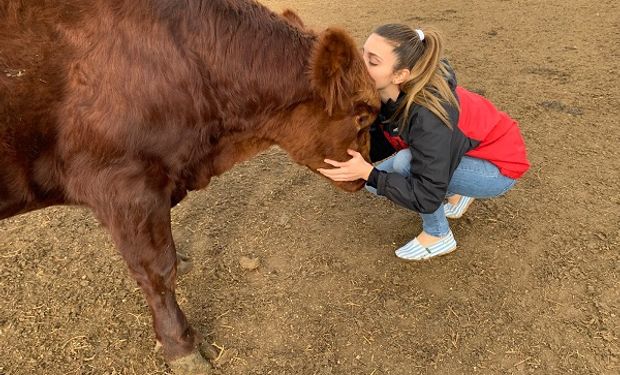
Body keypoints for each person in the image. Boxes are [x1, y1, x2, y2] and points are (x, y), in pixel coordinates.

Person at [318, 24, 530, 261]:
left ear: (400, 75)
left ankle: (438, 235)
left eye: (373, 61)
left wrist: (370, 172)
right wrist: (349, 156)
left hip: (499, 168)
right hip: (466, 151)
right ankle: (457, 196)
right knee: (372, 182)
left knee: (405, 164)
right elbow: (387, 138)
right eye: (362, 54)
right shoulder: (389, 93)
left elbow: (426, 195)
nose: (359, 65)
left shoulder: (428, 116)